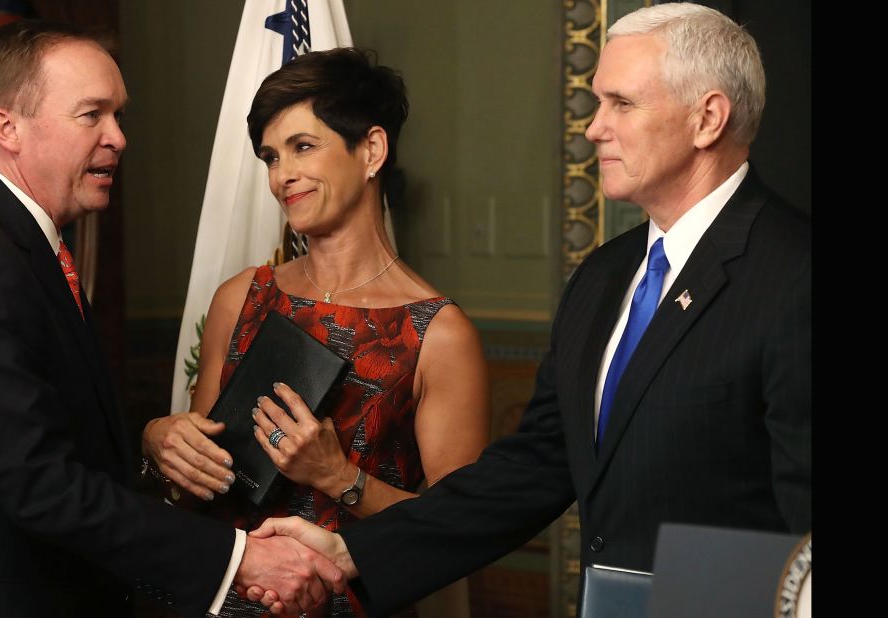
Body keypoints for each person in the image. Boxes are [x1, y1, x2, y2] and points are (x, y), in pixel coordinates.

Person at [247, 4, 811, 615]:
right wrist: (350, 552)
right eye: (596, 103)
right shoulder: (604, 274)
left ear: (707, 119)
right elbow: (534, 468)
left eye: (621, 103)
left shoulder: (797, 274)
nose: (593, 128)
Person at [0, 19, 343, 618]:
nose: (118, 137)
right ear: (7, 128)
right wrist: (239, 558)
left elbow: (59, 425)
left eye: (118, 116)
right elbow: (43, 489)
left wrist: (147, 439)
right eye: (91, 114)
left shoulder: (15, 245)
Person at [141, 47, 491, 617]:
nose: (283, 176)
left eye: (304, 147)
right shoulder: (242, 297)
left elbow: (463, 533)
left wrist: (339, 477)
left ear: (371, 150)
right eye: (271, 157)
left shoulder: (440, 334)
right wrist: (160, 440)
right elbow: (196, 483)